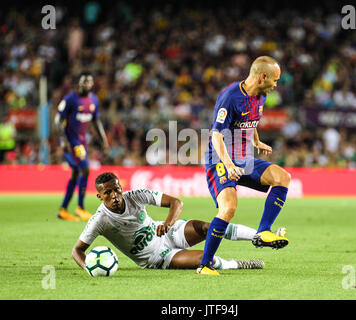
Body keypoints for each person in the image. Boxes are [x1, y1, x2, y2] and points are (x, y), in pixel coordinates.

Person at [199, 56, 291, 275]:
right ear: (263, 77)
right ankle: (205, 265)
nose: (276, 84)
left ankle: (263, 231)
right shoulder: (230, 97)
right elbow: (216, 136)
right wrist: (228, 164)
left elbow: (250, 118)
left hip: (243, 157)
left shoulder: (261, 96)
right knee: (228, 209)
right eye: (275, 80)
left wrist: (256, 140)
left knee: (282, 177)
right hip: (220, 159)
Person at [72, 172, 264, 271]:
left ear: (121, 187)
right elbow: (77, 251)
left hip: (167, 232)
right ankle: (237, 264)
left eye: (116, 189)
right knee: (204, 260)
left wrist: (168, 223)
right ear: (100, 196)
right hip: (157, 257)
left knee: (207, 226)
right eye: (108, 193)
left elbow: (176, 202)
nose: (114, 195)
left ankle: (258, 236)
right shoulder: (100, 220)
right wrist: (88, 267)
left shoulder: (135, 196)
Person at [55, 72, 109, 221]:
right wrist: (64, 141)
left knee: (76, 173)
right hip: (71, 140)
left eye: (89, 82)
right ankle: (80, 207)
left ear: (92, 84)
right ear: (78, 83)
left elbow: (96, 122)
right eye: (84, 81)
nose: (86, 84)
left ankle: (63, 209)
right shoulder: (70, 99)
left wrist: (104, 141)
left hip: (81, 141)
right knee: (85, 169)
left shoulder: (94, 100)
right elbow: (57, 120)